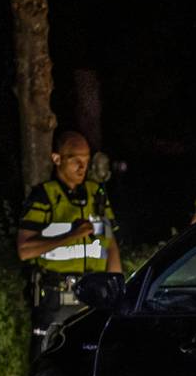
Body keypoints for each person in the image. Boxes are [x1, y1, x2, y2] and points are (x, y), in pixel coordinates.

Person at [16, 129, 122, 358]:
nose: (82, 168)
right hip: (57, 301)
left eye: (85, 161)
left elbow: (110, 243)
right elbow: (24, 250)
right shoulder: (45, 196)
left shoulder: (97, 195)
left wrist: (116, 289)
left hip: (93, 301)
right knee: (47, 364)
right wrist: (71, 236)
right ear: (57, 159)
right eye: (76, 161)